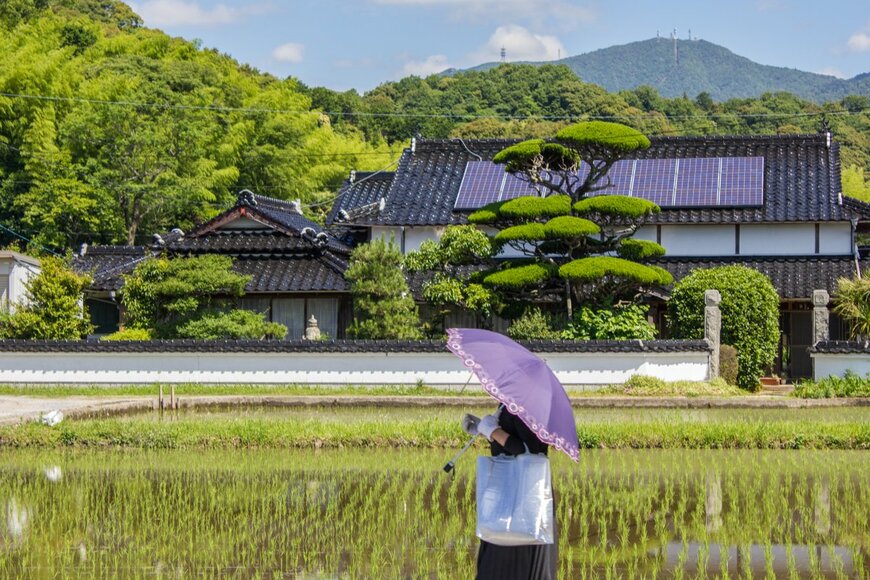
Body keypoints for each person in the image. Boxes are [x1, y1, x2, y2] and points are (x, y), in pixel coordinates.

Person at [462, 405, 557, 580]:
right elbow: (509, 444)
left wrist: (492, 431)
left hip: (523, 497)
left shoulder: (525, 404)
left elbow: (527, 450)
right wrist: (482, 429)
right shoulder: (509, 402)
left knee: (507, 561)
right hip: (510, 492)